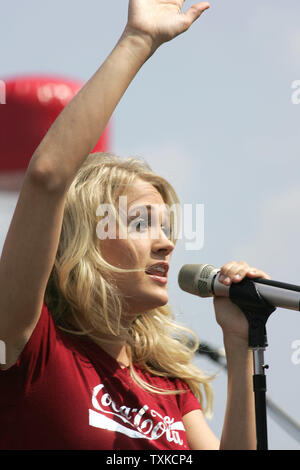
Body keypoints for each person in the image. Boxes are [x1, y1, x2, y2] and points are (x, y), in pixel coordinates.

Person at [0, 0, 271, 450]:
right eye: (143, 223)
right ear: (84, 238)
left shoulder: (167, 385)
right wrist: (139, 41)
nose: (166, 244)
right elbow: (48, 177)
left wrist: (242, 345)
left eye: (167, 229)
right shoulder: (31, 343)